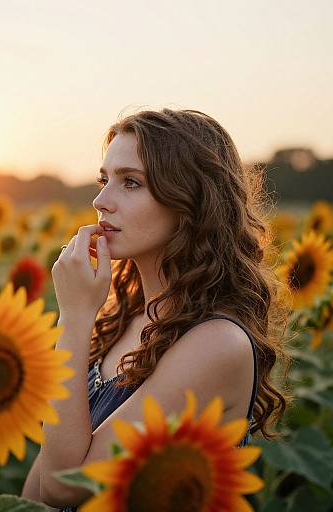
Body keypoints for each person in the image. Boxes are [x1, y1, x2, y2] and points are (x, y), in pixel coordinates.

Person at [20, 108, 292, 510]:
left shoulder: (216, 343)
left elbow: (62, 487)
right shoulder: (124, 316)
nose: (101, 201)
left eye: (130, 182)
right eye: (104, 180)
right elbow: (41, 479)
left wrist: (74, 318)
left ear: (191, 200)